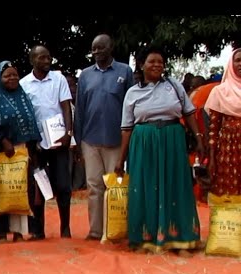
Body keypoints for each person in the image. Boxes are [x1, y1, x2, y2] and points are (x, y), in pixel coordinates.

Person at [115, 46, 203, 255]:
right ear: (141, 65)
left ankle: (181, 239)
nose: (157, 65)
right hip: (144, 143)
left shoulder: (174, 86)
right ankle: (146, 240)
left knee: (176, 186)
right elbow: (126, 128)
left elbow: (189, 113)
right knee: (145, 188)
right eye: (152, 61)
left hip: (172, 140)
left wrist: (199, 138)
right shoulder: (132, 92)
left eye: (160, 62)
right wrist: (121, 159)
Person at [74, 34, 134, 240]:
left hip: (116, 140)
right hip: (89, 140)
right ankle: (96, 231)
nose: (97, 51)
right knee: (94, 187)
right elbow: (79, 110)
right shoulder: (85, 75)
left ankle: (115, 230)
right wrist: (78, 141)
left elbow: (131, 106)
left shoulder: (125, 71)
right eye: (94, 48)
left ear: (111, 47)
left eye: (101, 47)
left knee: (116, 187)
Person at [0, 60, 41, 243]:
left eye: (15, 74)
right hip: (1, 152)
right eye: (7, 75)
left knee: (20, 190)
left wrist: (31, 148)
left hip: (23, 151)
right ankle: (1, 233)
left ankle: (18, 231)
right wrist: (3, 140)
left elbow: (30, 122)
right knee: (3, 191)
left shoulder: (22, 96)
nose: (12, 78)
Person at [20, 45, 74, 239]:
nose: (47, 61)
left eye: (48, 57)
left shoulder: (58, 79)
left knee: (63, 185)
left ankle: (65, 227)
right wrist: (30, 140)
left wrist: (68, 133)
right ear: (32, 60)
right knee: (37, 186)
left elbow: (66, 107)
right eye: (42, 58)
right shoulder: (24, 84)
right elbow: (26, 115)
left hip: (59, 141)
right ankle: (38, 230)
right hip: (37, 143)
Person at [205, 47, 241, 197]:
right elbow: (213, 129)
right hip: (229, 151)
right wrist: (212, 158)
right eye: (238, 60)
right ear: (231, 64)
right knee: (229, 194)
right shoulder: (220, 92)